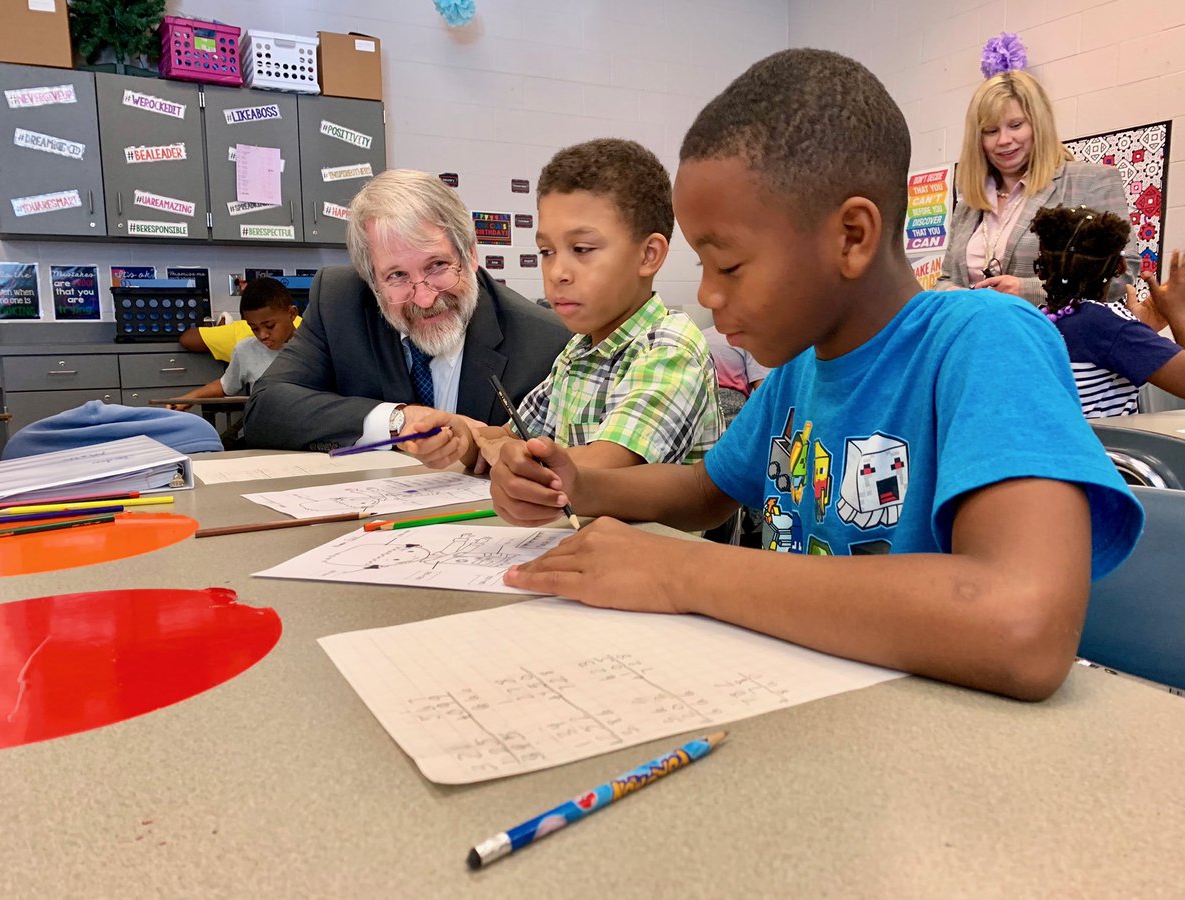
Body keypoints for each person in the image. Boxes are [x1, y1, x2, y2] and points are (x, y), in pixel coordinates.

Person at [493, 48, 1143, 702]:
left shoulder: (986, 340)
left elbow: (1022, 626)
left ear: (852, 236)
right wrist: (580, 483)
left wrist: (683, 572)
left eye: (729, 265)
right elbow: (704, 489)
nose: (709, 296)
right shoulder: (800, 369)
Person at [242, 169, 569, 460]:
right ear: (371, 281)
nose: (424, 299)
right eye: (397, 275)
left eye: (437, 265)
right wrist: (398, 420)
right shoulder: (339, 302)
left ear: (470, 254)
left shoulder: (545, 342)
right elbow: (265, 409)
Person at [455, 138, 722, 482]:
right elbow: (511, 435)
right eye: (547, 251)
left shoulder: (670, 348)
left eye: (581, 249)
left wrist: (509, 454)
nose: (557, 272)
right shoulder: (578, 351)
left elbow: (608, 463)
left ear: (648, 255)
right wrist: (460, 437)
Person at [935, 69, 1138, 307]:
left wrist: (1026, 290)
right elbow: (945, 279)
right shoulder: (968, 205)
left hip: (1052, 330)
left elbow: (1122, 275)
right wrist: (952, 294)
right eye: (991, 131)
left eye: (1015, 125)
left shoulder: (1092, 181)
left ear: (1038, 124)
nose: (1003, 140)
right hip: (976, 329)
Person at [1029, 205, 1185, 417]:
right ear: (1121, 267)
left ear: (1041, 268)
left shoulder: (1037, 320)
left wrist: (1135, 327)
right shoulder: (1109, 326)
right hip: (1098, 440)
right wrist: (1177, 313)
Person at [168, 278, 298, 410]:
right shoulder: (246, 349)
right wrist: (190, 398)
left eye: (270, 326)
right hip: (266, 420)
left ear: (292, 314)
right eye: (254, 328)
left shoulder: (309, 347)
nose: (263, 335)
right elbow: (225, 386)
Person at [702, 324, 770, 423]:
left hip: (702, 407)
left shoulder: (700, 336)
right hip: (733, 408)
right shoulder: (749, 339)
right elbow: (763, 392)